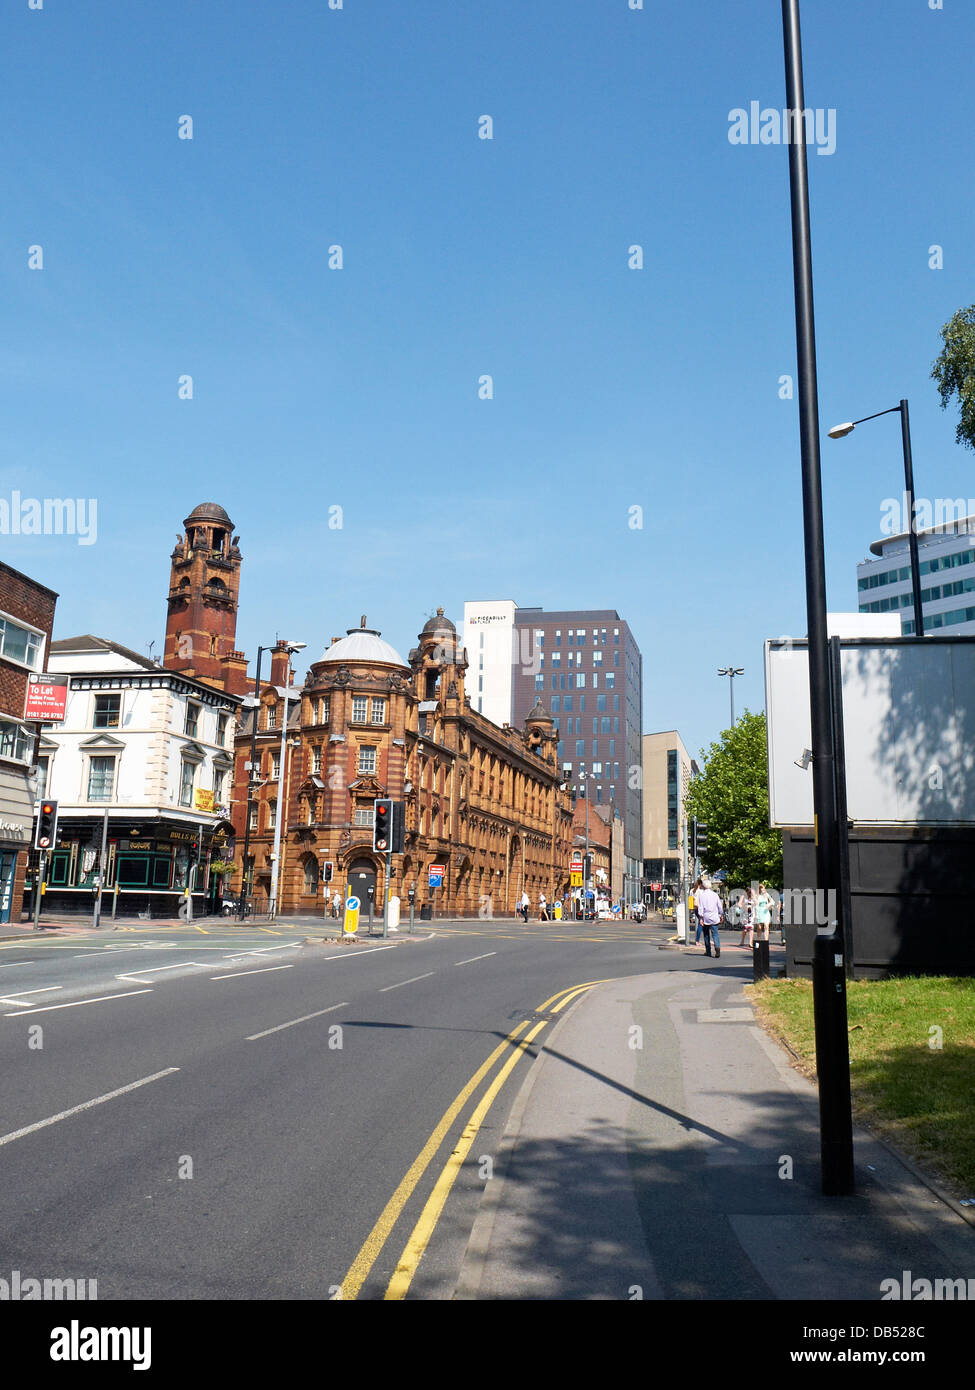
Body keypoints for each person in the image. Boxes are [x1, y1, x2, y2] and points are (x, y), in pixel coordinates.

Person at [695, 880, 723, 958]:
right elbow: (719, 906)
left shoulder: (702, 895)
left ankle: (708, 951)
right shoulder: (715, 895)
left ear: (703, 886)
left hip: (706, 917)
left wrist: (701, 918)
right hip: (714, 916)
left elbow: (700, 908)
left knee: (706, 934)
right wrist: (720, 914)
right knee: (715, 934)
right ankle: (717, 949)